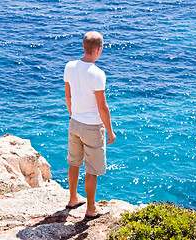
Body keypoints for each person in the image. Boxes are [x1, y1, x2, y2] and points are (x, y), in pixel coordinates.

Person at [64, 31, 116, 218]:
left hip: (74, 122)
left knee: (74, 163)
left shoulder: (69, 67)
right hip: (92, 127)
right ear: (99, 50)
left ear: (84, 47)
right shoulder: (97, 74)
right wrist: (110, 131)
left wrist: (73, 115)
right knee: (92, 170)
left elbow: (68, 96)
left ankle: (72, 199)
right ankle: (91, 209)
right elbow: (102, 107)